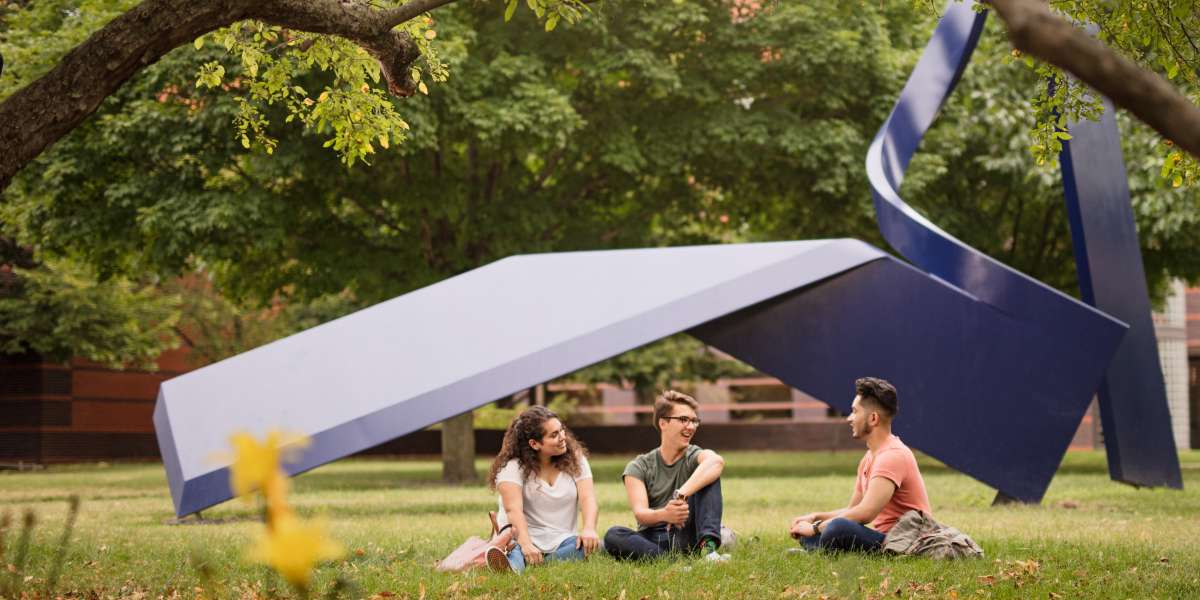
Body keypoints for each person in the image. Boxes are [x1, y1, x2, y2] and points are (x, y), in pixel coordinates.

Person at [788, 377, 931, 553]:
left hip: (902, 542)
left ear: (872, 418)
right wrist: (815, 517)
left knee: (838, 528)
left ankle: (819, 549)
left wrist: (815, 528)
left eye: (855, 412)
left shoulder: (893, 456)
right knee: (825, 530)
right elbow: (853, 510)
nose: (849, 418)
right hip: (883, 538)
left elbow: (865, 513)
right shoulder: (869, 457)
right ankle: (820, 548)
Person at [604, 390, 730, 562]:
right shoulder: (638, 466)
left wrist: (682, 494)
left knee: (710, 475)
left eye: (694, 421)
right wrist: (665, 514)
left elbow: (716, 462)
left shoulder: (693, 455)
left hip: (686, 535)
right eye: (684, 420)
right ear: (663, 423)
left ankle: (708, 552)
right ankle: (672, 562)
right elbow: (641, 514)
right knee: (613, 535)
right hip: (652, 538)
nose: (691, 426)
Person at [485, 406, 600, 573]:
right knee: (516, 549)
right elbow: (513, 510)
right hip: (522, 536)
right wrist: (526, 544)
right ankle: (513, 564)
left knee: (583, 547)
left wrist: (589, 528)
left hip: (563, 539)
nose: (563, 437)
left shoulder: (576, 459)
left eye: (561, 430)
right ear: (534, 444)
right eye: (554, 435)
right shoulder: (512, 468)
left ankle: (536, 564)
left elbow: (588, 498)